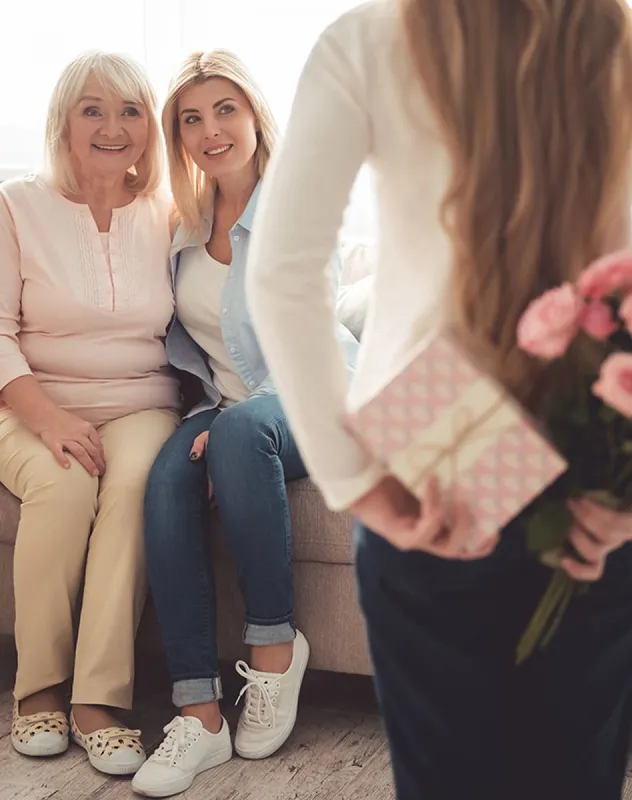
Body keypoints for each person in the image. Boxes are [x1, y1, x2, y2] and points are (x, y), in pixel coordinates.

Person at [244, 1, 632, 799]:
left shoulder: (369, 40)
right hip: (596, 454)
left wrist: (359, 484)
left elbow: (283, 278)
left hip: (433, 439)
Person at [131, 50, 359, 799]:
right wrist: (210, 419)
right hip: (226, 413)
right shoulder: (184, 225)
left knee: (231, 436)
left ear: (255, 114)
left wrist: (233, 420)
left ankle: (273, 653)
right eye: (191, 119)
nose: (210, 129)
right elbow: (195, 348)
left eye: (225, 109)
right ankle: (198, 713)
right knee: (163, 477)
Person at [0, 52, 179, 775]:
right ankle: (37, 690)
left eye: (131, 110)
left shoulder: (170, 214)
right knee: (64, 483)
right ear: (63, 122)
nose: (114, 127)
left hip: (141, 401)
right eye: (93, 110)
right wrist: (48, 418)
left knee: (136, 486)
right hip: (28, 401)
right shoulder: (15, 204)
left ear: (149, 129)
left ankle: (98, 700)